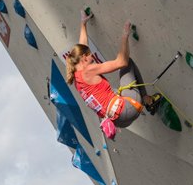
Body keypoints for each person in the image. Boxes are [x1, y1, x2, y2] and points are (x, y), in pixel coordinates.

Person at [65, 11, 151, 140]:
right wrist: (124, 35)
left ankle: (142, 100)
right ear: (83, 58)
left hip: (119, 122)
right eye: (89, 56)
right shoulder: (89, 70)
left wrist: (83, 23)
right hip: (128, 109)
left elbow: (82, 46)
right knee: (127, 64)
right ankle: (145, 98)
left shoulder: (77, 79)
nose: (92, 57)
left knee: (114, 91)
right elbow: (121, 61)